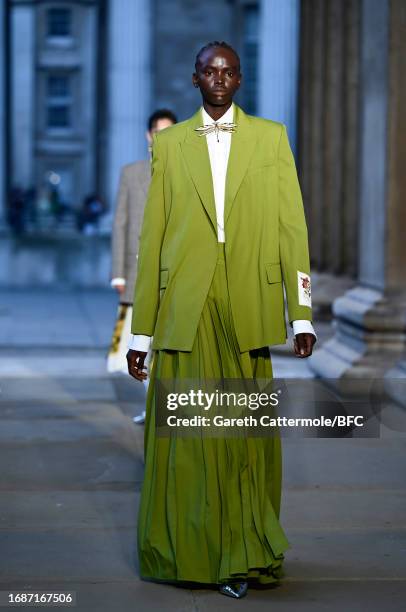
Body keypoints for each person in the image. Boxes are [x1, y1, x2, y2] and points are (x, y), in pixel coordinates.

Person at [127, 41, 317, 599]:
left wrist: (300, 314)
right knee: (187, 436)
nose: (219, 78)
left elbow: (292, 230)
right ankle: (185, 553)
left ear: (240, 80)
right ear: (194, 79)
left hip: (248, 303)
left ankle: (242, 553)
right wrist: (142, 329)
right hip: (185, 303)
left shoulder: (271, 137)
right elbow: (154, 235)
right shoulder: (168, 145)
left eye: (229, 71)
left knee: (239, 435)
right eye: (210, 70)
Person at [108, 109, 177, 423]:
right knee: (139, 343)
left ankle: (165, 406)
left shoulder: (185, 172)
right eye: (158, 131)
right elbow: (120, 223)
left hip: (175, 272)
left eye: (169, 131)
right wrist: (118, 273)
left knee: (169, 345)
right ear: (149, 135)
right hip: (137, 273)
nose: (162, 137)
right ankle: (154, 405)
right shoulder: (131, 172)